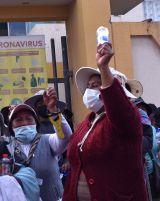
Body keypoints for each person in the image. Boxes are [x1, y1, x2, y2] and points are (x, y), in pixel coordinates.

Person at [63, 42, 147, 200]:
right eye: (88, 86)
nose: (89, 90)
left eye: (95, 85)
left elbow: (117, 105)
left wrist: (103, 67)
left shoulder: (127, 118)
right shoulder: (84, 124)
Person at [6, 87, 72, 201]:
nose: (24, 123)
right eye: (18, 120)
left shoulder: (48, 141)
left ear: (36, 124)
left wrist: (53, 111)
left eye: (28, 119)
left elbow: (65, 137)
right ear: (11, 127)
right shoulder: (5, 146)